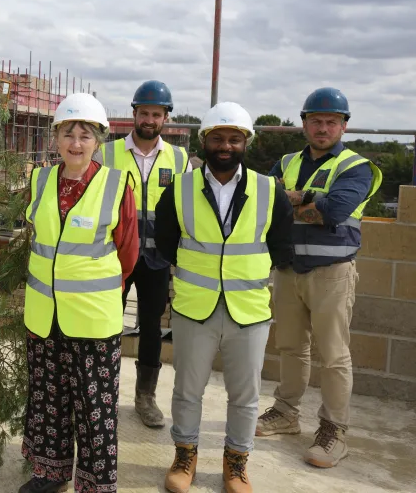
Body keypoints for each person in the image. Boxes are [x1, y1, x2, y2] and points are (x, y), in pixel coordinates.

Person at [154, 102, 293, 493]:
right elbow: (165, 242)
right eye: (218, 138)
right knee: (187, 390)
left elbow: (281, 248)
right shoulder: (180, 189)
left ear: (246, 142)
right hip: (194, 308)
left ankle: (236, 463)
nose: (226, 146)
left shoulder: (270, 191)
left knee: (245, 395)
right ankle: (185, 455)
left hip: (248, 311)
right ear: (205, 141)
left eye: (234, 138)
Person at [256, 88, 382, 468]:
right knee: (291, 347)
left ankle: (334, 431)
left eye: (331, 121)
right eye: (316, 121)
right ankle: (286, 413)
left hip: (332, 273)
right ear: (304, 123)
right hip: (288, 270)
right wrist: (309, 200)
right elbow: (266, 202)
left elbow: (336, 211)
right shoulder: (287, 161)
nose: (323, 128)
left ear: (344, 126)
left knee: (333, 355)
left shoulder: (356, 166)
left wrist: (292, 198)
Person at [20, 93, 139, 493]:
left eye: (85, 135)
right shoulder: (40, 180)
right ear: (55, 138)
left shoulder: (116, 185)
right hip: (44, 316)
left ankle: (94, 484)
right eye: (68, 134)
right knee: (47, 400)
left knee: (95, 409)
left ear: (98, 141)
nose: (75, 143)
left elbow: (128, 252)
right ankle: (49, 474)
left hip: (92, 319)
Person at [95, 80, 189, 428]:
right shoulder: (106, 154)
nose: (150, 120)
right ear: (134, 114)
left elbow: (184, 207)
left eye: (157, 114)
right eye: (144, 113)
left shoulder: (178, 159)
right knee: (107, 323)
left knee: (151, 326)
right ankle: (102, 392)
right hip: (116, 256)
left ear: (166, 118)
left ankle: (145, 397)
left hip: (156, 259)